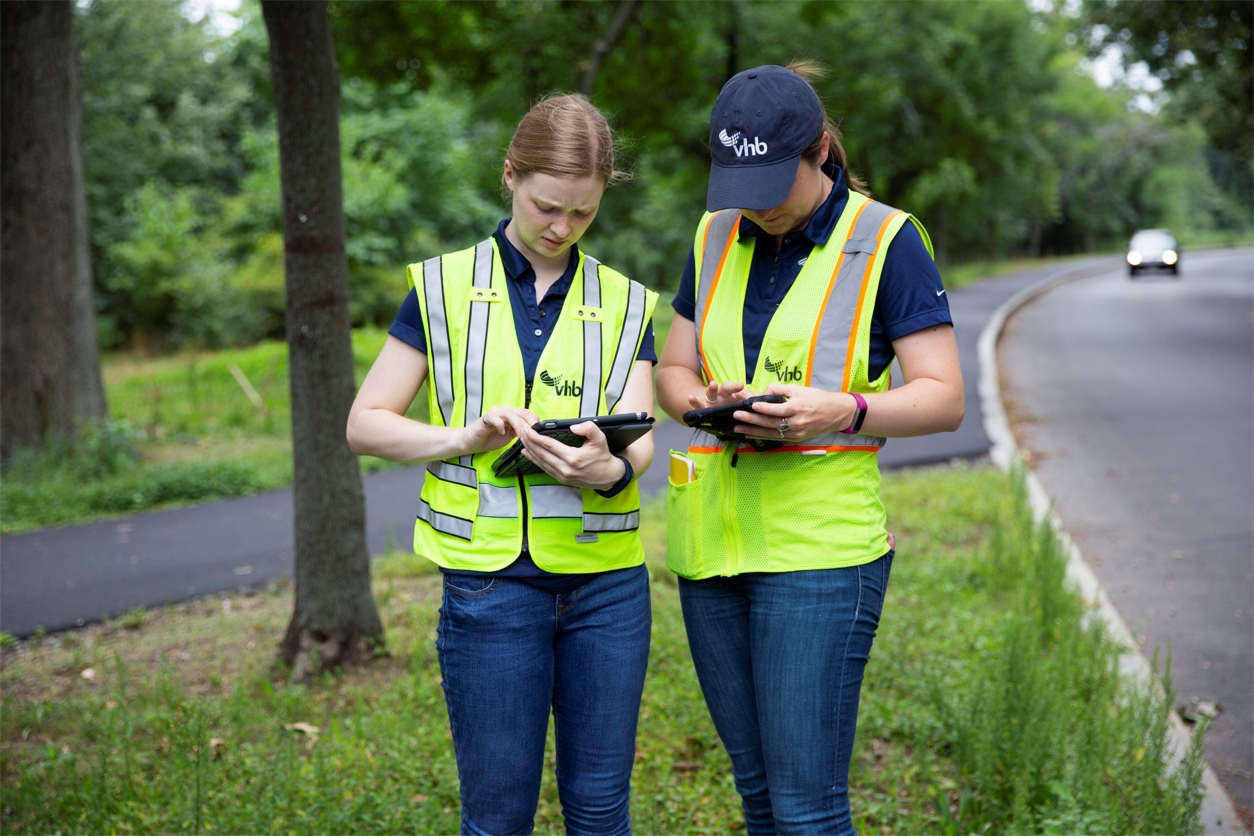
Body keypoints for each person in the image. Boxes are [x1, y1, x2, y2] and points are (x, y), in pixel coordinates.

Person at [655, 62, 964, 835]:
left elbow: (944, 397)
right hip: (711, 552)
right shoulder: (715, 230)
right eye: (738, 183)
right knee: (758, 795)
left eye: (770, 182)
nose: (753, 205)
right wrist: (706, 404)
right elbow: (675, 369)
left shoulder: (887, 240)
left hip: (819, 558)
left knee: (806, 807)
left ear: (820, 150)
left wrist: (841, 408)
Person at [347, 93, 659, 836]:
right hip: (490, 589)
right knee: (497, 818)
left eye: (582, 215)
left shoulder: (627, 301)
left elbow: (641, 438)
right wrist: (463, 439)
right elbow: (365, 425)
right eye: (547, 206)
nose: (561, 228)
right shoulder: (440, 287)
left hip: (607, 590)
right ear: (509, 176)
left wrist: (605, 471)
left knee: (600, 810)